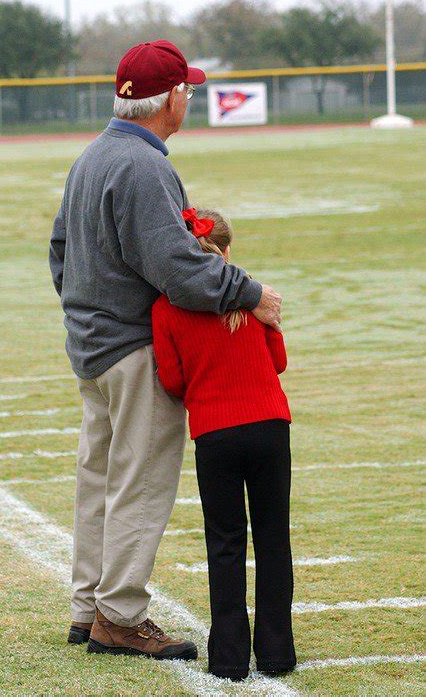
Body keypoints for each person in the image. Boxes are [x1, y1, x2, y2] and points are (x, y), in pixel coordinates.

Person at [49, 40, 283, 660]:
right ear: (172, 98)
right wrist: (250, 292)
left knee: (98, 478)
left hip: (92, 346)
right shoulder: (144, 165)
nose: (191, 99)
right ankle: (119, 616)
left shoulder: (92, 156)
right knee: (139, 483)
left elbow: (59, 252)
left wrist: (86, 315)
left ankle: (87, 606)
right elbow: (181, 270)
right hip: (131, 349)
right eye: (189, 89)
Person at [152, 207, 296, 680]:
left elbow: (172, 381)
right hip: (269, 424)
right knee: (273, 537)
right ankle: (277, 653)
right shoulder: (255, 296)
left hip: (214, 432)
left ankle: (230, 658)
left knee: (226, 542)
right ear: (227, 251)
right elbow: (277, 360)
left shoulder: (166, 307)